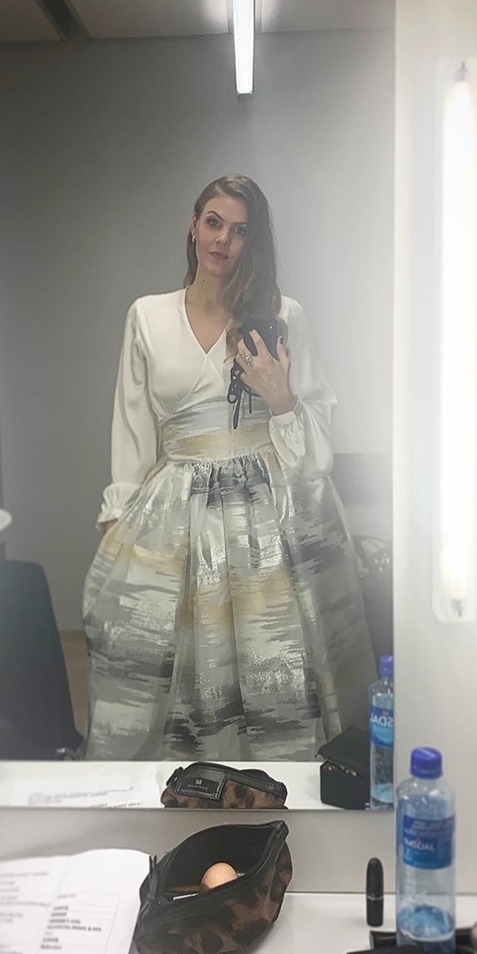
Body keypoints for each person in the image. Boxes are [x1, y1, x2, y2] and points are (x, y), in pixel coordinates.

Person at [83, 174, 376, 761]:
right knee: (175, 663)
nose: (222, 240)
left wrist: (280, 397)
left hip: (274, 513)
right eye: (213, 223)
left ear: (253, 242)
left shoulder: (282, 315)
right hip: (176, 516)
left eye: (239, 231)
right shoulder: (147, 316)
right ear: (193, 226)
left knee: (278, 658)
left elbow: (317, 449)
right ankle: (188, 786)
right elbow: (133, 431)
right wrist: (118, 521)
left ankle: (285, 782)